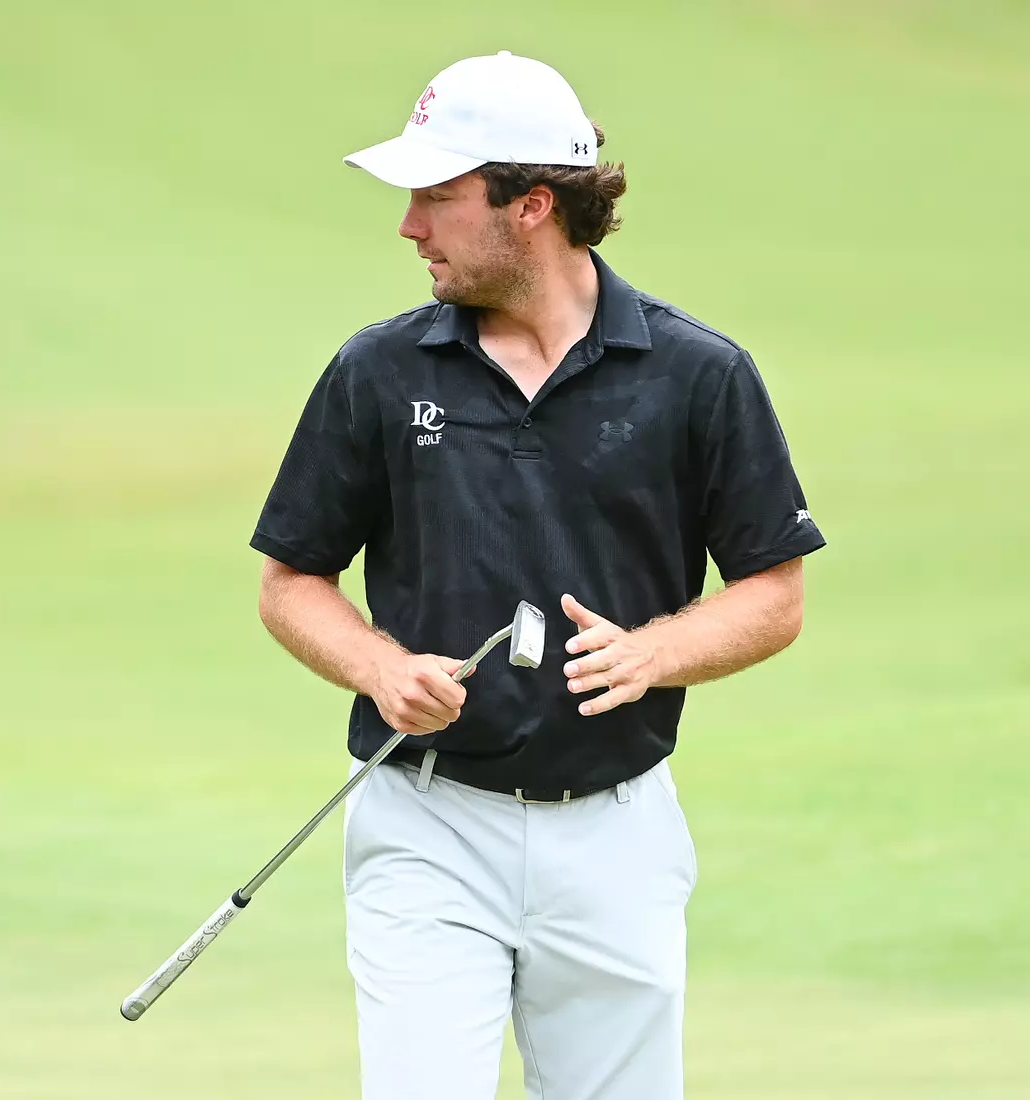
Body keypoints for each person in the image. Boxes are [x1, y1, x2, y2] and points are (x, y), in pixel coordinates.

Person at [250, 50, 825, 1100]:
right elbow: (291, 579)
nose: (409, 225)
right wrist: (379, 667)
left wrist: (656, 650)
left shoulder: (699, 375)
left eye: (438, 194)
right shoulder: (377, 372)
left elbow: (774, 591)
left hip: (616, 827)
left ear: (533, 205)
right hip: (426, 817)